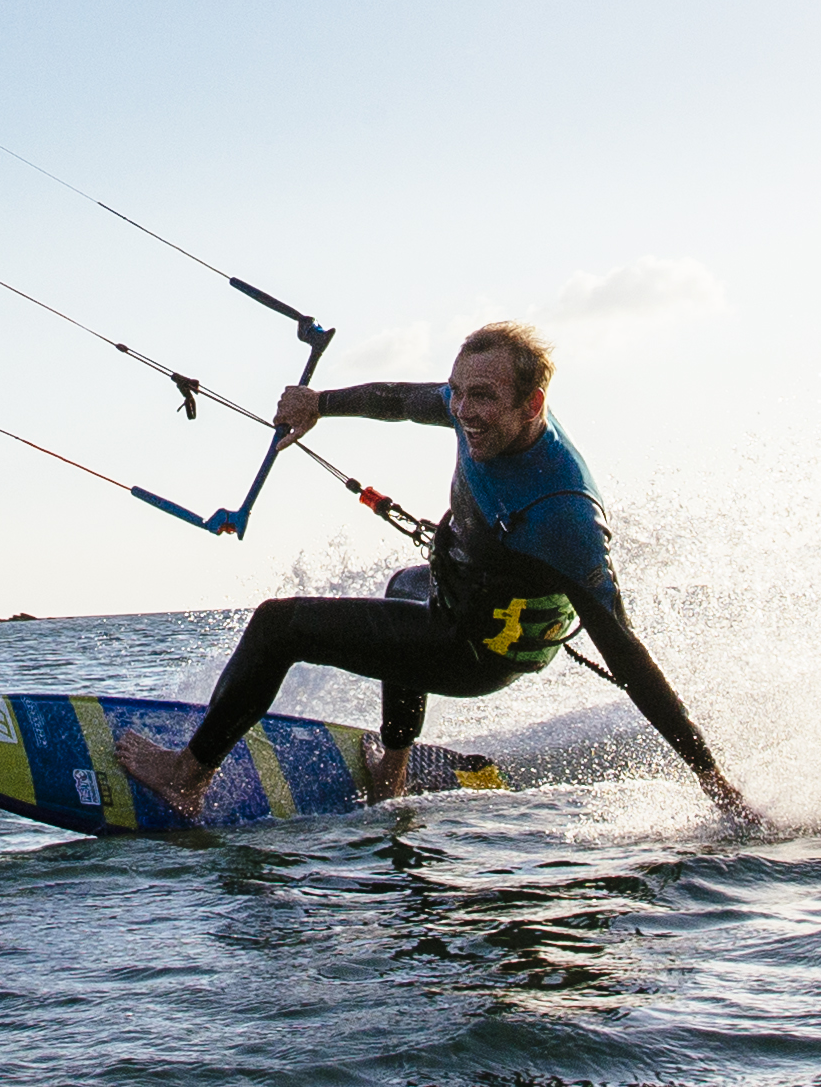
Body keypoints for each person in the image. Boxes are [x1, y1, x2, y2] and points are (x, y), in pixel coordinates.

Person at [114, 319, 750, 825]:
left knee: (279, 627)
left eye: (484, 399)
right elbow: (398, 400)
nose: (465, 411)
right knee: (401, 587)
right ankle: (393, 770)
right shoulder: (475, 408)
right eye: (460, 393)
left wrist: (713, 781)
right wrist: (320, 404)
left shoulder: (564, 516)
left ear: (533, 404)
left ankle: (188, 776)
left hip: (480, 648)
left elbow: (628, 657)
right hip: (460, 597)